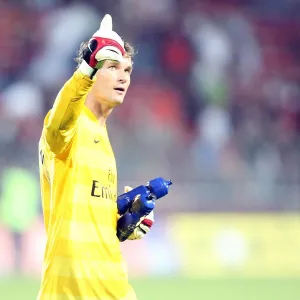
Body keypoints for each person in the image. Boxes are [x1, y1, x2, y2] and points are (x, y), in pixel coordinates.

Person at [37, 14, 155, 300]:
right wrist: (86, 69)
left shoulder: (102, 136)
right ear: (91, 73)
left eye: (127, 69)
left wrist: (124, 223)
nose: (123, 76)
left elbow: (91, 219)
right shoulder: (70, 126)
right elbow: (57, 127)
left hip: (115, 290)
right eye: (112, 66)